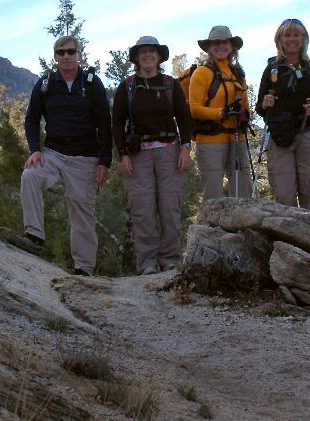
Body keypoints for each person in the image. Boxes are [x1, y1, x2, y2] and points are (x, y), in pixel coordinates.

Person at [21, 35, 112, 276]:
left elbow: (105, 122)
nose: (66, 56)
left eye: (71, 51)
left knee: (81, 211)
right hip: (53, 153)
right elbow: (31, 119)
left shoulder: (92, 84)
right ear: (55, 57)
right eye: (61, 52)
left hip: (85, 157)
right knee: (30, 176)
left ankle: (84, 268)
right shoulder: (45, 84)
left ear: (79, 54)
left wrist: (104, 161)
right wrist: (35, 150)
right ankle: (34, 236)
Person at [112, 36, 193, 274]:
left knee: (170, 208)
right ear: (136, 58)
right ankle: (147, 263)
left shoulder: (170, 84)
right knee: (142, 210)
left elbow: (184, 117)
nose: (147, 55)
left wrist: (186, 148)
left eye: (152, 51)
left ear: (159, 57)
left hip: (170, 152)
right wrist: (122, 154)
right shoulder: (127, 86)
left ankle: (170, 261)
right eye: (143, 52)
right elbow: (117, 123)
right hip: (138, 156)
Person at [256, 19, 310, 211]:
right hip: (280, 138)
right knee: (283, 194)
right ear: (279, 40)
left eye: (296, 35)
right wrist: (265, 104)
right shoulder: (271, 71)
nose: (292, 39)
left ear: (304, 39)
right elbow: (260, 108)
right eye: (287, 35)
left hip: (309, 134)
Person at [188, 25, 252, 200]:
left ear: (231, 46)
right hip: (210, 141)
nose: (221, 46)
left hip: (237, 139)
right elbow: (195, 109)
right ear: (209, 47)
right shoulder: (201, 73)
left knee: (243, 192)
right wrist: (222, 112)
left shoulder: (237, 74)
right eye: (216, 43)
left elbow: (245, 105)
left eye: (225, 42)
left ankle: (241, 220)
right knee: (213, 195)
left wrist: (244, 115)